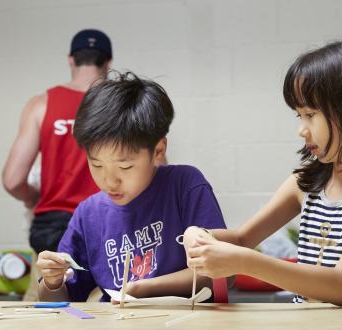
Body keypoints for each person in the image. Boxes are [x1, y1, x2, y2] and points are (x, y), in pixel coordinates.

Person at [183, 39, 342, 306]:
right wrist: (201, 235)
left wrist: (243, 261)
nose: (302, 129)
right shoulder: (305, 183)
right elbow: (242, 238)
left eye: (311, 114)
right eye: (299, 116)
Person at [36, 72, 226, 302]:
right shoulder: (89, 214)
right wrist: (52, 281)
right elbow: (59, 300)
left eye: (125, 167)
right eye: (96, 165)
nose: (110, 181)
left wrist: (143, 288)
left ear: (157, 151)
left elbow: (221, 273)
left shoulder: (184, 185)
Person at [2, 29, 113, 255]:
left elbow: (12, 181)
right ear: (108, 62)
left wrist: (35, 197)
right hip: (110, 223)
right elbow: (155, 167)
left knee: (54, 289)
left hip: (55, 229)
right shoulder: (121, 104)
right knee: (114, 291)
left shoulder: (41, 105)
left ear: (71, 59)